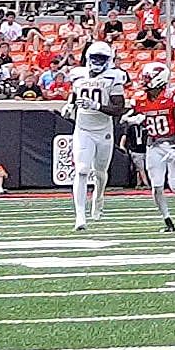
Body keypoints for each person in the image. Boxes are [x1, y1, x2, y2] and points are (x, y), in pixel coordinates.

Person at [64, 50, 122, 233]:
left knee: (100, 172)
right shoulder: (77, 74)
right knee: (81, 170)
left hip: (103, 130)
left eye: (102, 58)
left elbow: (118, 108)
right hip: (83, 129)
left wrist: (96, 106)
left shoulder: (115, 77)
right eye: (95, 58)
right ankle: (80, 215)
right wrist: (69, 105)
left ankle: (99, 196)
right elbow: (74, 93)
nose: (97, 62)